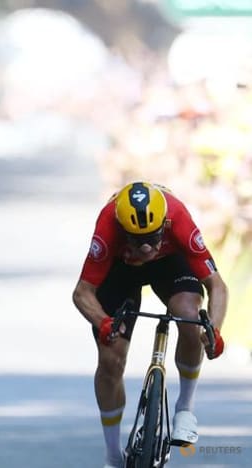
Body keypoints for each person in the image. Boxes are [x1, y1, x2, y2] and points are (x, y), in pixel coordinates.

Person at [72, 181, 228, 468]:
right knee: (111, 359)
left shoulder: (178, 217)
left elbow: (217, 286)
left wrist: (214, 330)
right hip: (121, 269)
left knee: (190, 316)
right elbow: (82, 292)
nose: (145, 246)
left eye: (152, 237)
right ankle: (112, 455)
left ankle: (185, 408)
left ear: (164, 223)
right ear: (122, 229)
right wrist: (104, 323)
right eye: (136, 239)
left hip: (169, 263)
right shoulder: (109, 224)